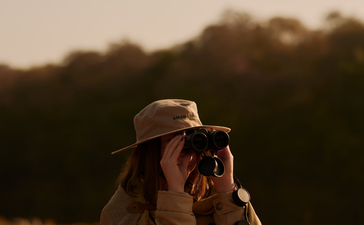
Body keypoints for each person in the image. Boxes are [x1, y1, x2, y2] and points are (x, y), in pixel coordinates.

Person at [100, 99, 262, 225]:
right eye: (177, 145)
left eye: (195, 143)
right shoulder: (123, 210)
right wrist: (175, 193)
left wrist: (227, 191)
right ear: (150, 154)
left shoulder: (215, 195)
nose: (190, 156)